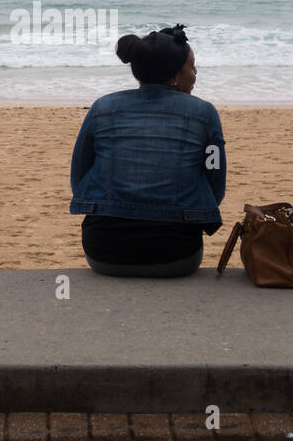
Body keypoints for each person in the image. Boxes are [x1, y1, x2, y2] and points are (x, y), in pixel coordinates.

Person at [70, 24, 226, 277]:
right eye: (192, 66)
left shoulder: (102, 107)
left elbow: (78, 178)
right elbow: (215, 183)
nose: (196, 73)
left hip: (102, 252)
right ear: (175, 75)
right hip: (177, 255)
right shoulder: (205, 113)